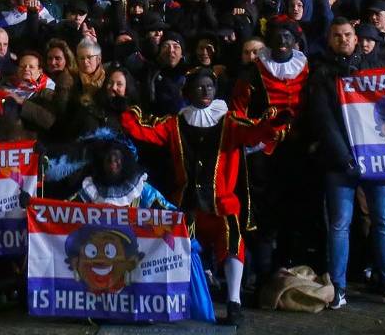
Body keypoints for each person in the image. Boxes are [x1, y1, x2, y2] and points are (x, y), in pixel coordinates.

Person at [121, 69, 290, 325]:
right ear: (187, 92)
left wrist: (274, 123)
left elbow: (256, 132)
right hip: (185, 205)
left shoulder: (230, 121)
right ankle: (178, 300)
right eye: (199, 87)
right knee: (176, 248)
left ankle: (234, 302)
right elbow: (143, 129)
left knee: (233, 242)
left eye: (210, 86)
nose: (205, 91)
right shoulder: (174, 123)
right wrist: (127, 107)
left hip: (221, 204)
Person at [308, 19, 385, 309]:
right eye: (337, 36)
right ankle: (339, 287)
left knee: (383, 222)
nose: (343, 39)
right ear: (329, 40)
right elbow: (324, 121)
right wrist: (344, 157)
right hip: (339, 162)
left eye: (347, 35)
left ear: (356, 38)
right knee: (340, 225)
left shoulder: (377, 70)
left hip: (376, 159)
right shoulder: (321, 73)